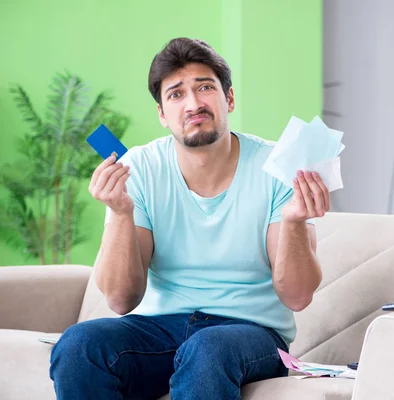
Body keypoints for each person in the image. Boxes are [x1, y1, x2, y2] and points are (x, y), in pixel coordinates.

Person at [49, 37, 330, 400]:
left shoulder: (277, 168)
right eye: (177, 94)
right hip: (158, 329)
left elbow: (297, 297)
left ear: (229, 98)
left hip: (248, 333)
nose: (194, 103)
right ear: (163, 115)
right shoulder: (141, 168)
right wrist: (121, 212)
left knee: (207, 348)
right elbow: (121, 300)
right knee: (80, 343)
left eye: (205, 88)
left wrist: (292, 221)